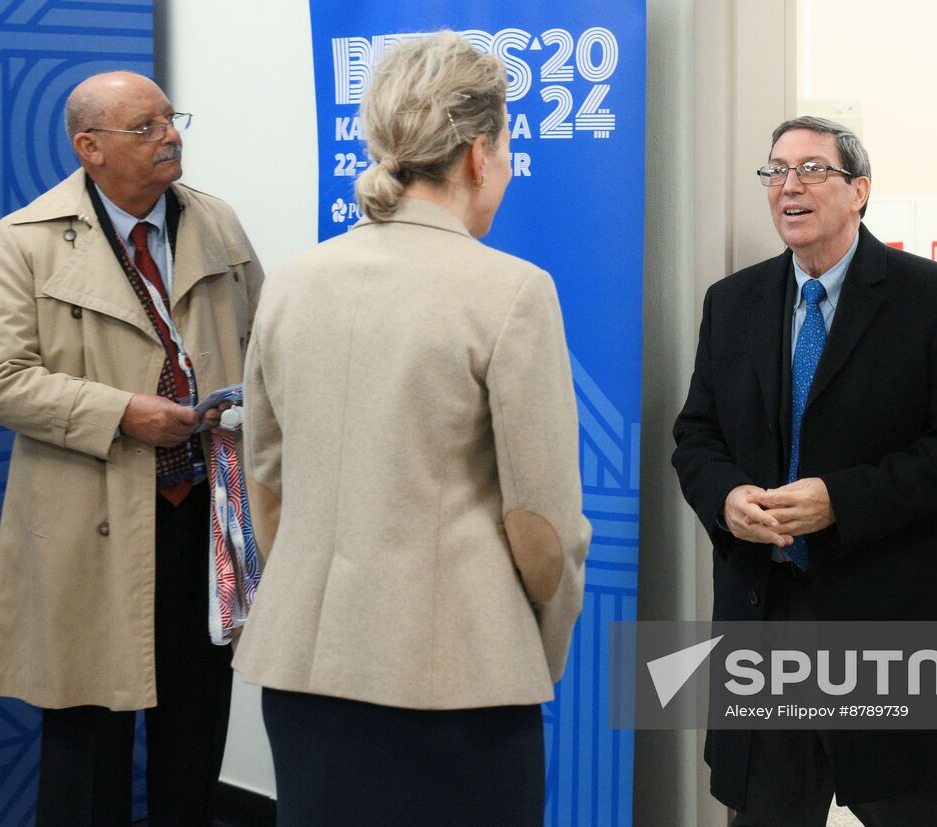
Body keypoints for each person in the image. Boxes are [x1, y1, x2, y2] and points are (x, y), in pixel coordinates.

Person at [232, 31, 591, 827]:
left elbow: (267, 485)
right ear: (478, 154)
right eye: (507, 147)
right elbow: (543, 529)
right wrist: (534, 641)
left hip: (305, 676)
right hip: (458, 683)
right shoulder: (512, 291)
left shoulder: (291, 282)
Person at [671, 116, 937, 826]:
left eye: (813, 169)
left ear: (860, 191)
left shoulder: (933, 298)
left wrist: (840, 500)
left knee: (913, 811)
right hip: (768, 612)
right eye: (776, 171)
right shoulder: (733, 303)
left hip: (887, 613)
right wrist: (727, 497)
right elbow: (696, 435)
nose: (789, 186)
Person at [0, 71, 263, 825]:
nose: (171, 136)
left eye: (170, 118)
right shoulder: (26, 239)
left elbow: (264, 346)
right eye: (146, 127)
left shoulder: (218, 223)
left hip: (206, 512)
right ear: (89, 147)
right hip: (94, 517)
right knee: (89, 738)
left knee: (197, 724)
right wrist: (122, 412)